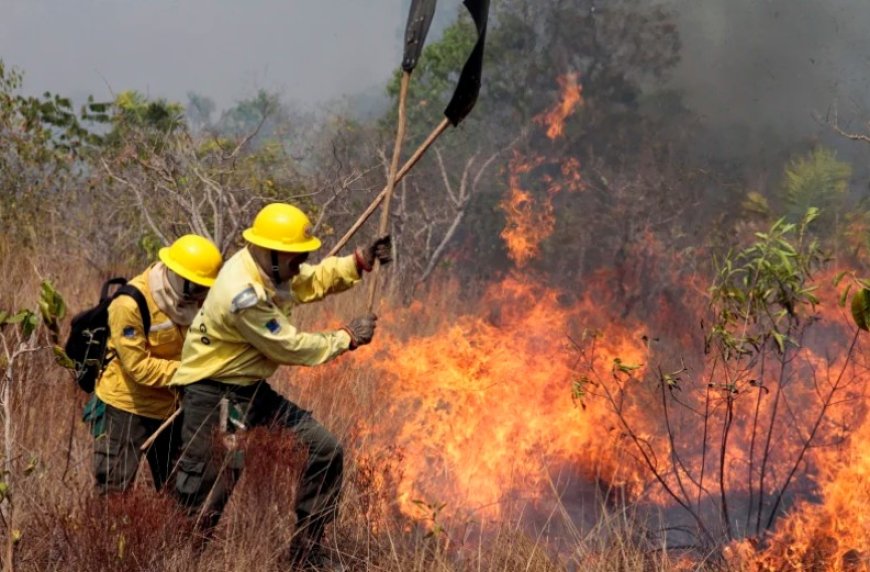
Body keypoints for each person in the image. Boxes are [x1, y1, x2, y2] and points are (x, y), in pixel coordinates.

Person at [169, 202, 390, 564]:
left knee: (324, 449)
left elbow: (306, 282)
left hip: (252, 392)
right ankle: (175, 559)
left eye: (302, 256)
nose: (299, 264)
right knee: (216, 482)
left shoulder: (266, 268)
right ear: (270, 253)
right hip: (219, 397)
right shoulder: (243, 293)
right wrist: (346, 338)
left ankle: (306, 557)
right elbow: (288, 345)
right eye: (294, 258)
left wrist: (358, 263)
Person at [92, 234, 223, 493]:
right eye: (198, 287)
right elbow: (138, 367)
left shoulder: (195, 302)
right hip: (127, 407)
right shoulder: (129, 304)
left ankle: (168, 534)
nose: (203, 295)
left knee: (180, 490)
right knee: (113, 491)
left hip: (171, 406)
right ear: (178, 276)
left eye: (206, 288)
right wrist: (192, 372)